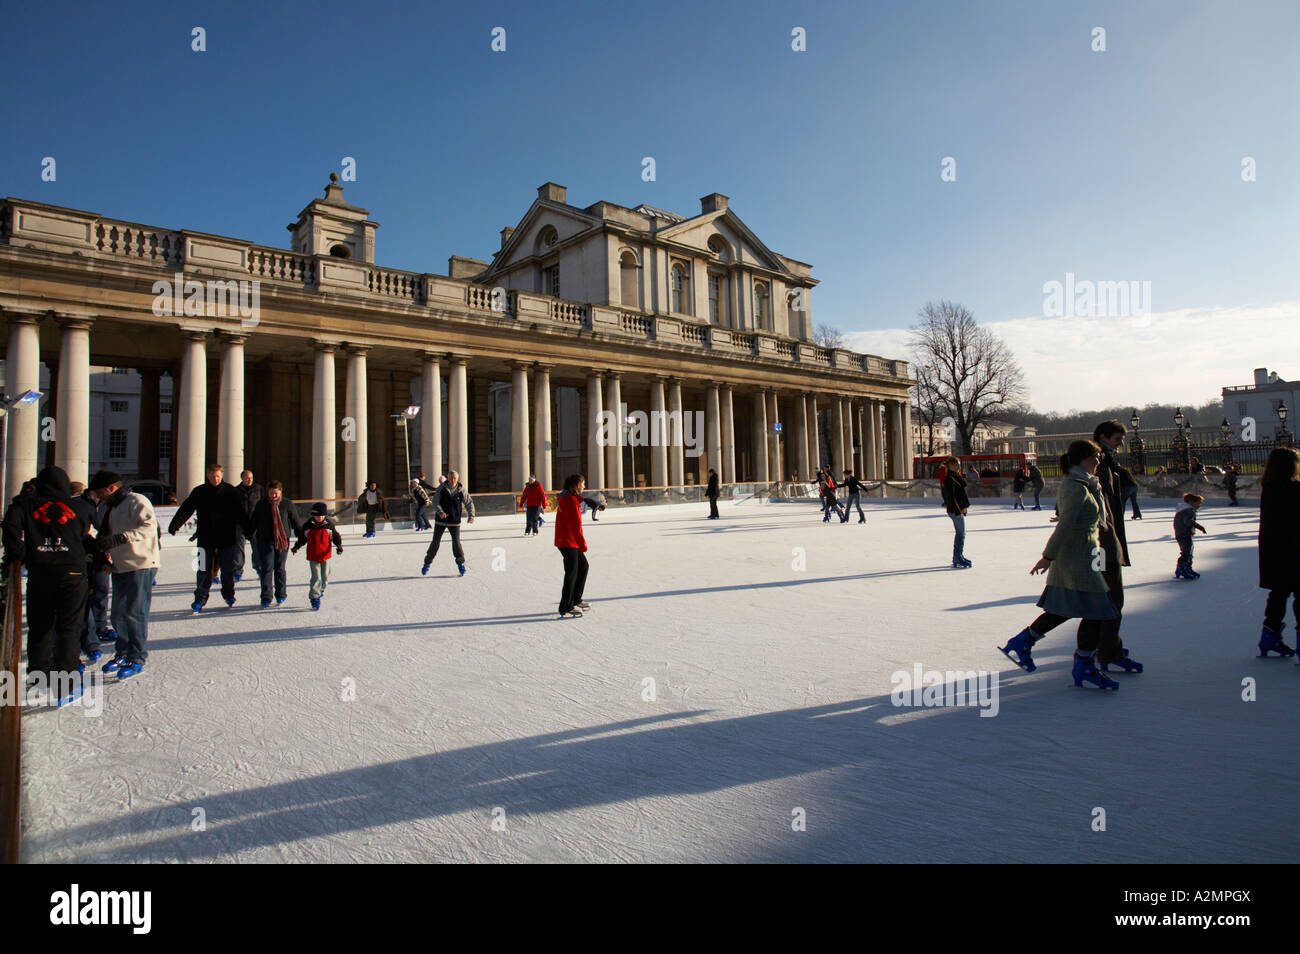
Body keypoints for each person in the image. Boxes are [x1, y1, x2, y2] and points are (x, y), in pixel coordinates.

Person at [999, 440, 1124, 689]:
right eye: (1095, 457)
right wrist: (1048, 556)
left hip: (1086, 555)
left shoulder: (1084, 484)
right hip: (1076, 558)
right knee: (1097, 611)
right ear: (1084, 459)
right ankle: (1083, 665)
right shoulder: (1076, 487)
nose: (1098, 462)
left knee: (1069, 608)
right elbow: (1065, 526)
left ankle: (1024, 641)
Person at [1, 466, 95, 706]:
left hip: (41, 571)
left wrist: (21, 554)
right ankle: (65, 685)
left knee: (40, 624)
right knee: (68, 628)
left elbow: (10, 527)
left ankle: (39, 674)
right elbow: (86, 532)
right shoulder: (80, 506)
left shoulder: (26, 505)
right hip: (73, 571)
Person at [88, 470, 159, 680]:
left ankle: (137, 656)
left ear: (111, 488)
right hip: (120, 565)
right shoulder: (108, 506)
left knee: (135, 613)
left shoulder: (137, 500)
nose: (99, 497)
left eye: (101, 493)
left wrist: (121, 538)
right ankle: (123, 651)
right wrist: (103, 555)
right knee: (118, 613)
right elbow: (104, 534)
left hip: (141, 564)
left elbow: (149, 527)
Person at [1090, 420, 1140, 673]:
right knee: (1111, 599)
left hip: (1105, 539)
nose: (1121, 443)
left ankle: (1102, 649)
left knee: (1104, 598)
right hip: (1102, 542)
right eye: (1117, 438)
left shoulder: (1105, 461)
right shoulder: (1098, 462)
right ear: (1103, 437)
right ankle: (1106, 651)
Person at [168, 463, 245, 612]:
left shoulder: (231, 491)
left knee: (228, 569)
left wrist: (249, 529)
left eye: (217, 476)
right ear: (207, 476)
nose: (215, 479)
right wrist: (175, 524)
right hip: (205, 538)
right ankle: (200, 598)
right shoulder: (199, 491)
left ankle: (229, 594)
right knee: (203, 569)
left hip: (226, 538)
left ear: (222, 475)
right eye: (212, 476)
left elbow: (241, 512)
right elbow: (186, 509)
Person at [1257, 447, 1300, 658]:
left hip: (1273, 549)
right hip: (1294, 548)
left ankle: (1270, 635)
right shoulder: (1294, 489)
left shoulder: (1269, 487)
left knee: (1279, 593)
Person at [72, 479, 114, 663]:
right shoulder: (78, 506)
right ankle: (88, 643)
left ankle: (99, 627)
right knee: (82, 603)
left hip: (99, 551)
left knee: (101, 591)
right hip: (79, 557)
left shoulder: (108, 504)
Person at [554, 473, 605, 618]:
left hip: (566, 540)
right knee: (572, 573)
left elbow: (576, 498)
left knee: (583, 566)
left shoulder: (568, 497)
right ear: (577, 485)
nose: (584, 486)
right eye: (583, 484)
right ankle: (566, 606)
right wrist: (583, 546)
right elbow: (575, 527)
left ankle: (576, 599)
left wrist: (588, 500)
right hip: (568, 541)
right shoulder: (570, 501)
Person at [248, 479, 302, 606]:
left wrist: (301, 537)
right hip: (265, 541)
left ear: (280, 492)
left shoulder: (287, 504)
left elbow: (295, 521)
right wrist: (248, 532)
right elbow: (254, 521)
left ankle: (281, 594)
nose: (273, 496)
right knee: (266, 568)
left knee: (280, 568)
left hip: (282, 541)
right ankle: (266, 596)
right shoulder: (261, 504)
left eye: (275, 493)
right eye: (271, 493)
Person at [422, 470, 474, 576]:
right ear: (448, 478)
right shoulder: (441, 488)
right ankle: (427, 563)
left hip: (454, 521)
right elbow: (435, 502)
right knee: (435, 542)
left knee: (456, 543)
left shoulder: (461, 490)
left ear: (457, 479)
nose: (452, 480)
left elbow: (469, 502)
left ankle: (461, 564)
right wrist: (440, 512)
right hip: (441, 520)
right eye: (450, 478)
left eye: (454, 478)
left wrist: (471, 515)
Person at [292, 502, 342, 610]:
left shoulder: (329, 525)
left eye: (320, 516)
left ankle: (321, 589)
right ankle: (314, 597)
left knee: (325, 577)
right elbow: (302, 539)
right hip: (313, 556)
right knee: (316, 577)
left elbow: (336, 537)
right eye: (316, 515)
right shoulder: (308, 526)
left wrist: (339, 546)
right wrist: (296, 547)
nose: (318, 518)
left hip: (325, 555)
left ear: (324, 515)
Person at [234, 469, 265, 582]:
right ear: (242, 478)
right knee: (238, 548)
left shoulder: (259, 489)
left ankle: (259, 568)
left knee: (257, 547)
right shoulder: (236, 491)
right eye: (247, 478)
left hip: (255, 523)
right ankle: (237, 570)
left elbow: (264, 503)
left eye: (251, 477)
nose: (249, 480)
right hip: (240, 524)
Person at [941, 457, 971, 568]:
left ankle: (958, 556)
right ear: (951, 466)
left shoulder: (956, 476)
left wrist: (964, 507)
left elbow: (961, 494)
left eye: (959, 464)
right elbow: (952, 497)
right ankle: (957, 557)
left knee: (960, 534)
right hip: (954, 510)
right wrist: (958, 511)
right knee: (960, 534)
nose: (958, 466)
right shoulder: (950, 478)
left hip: (957, 509)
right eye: (956, 465)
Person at [1174, 492, 1207, 580]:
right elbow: (1188, 522)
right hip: (1185, 534)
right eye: (1198, 503)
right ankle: (1184, 569)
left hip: (1180, 534)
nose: (1199, 505)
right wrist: (1199, 527)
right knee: (1187, 553)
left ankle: (1184, 568)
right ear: (1191, 502)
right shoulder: (1189, 511)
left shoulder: (1182, 510)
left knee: (1187, 552)